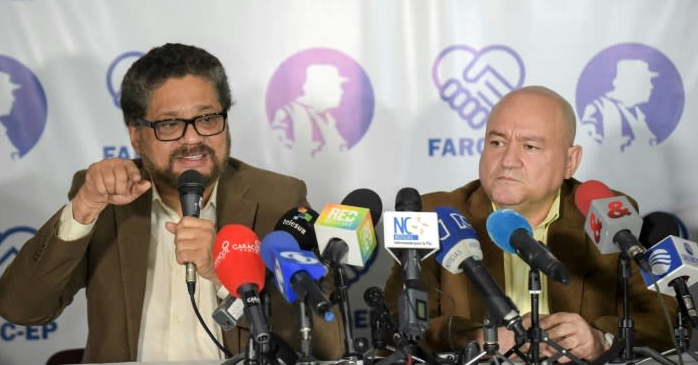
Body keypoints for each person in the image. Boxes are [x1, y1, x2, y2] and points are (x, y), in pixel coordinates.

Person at [0, 43, 344, 363]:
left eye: (208, 119)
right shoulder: (106, 198)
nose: (192, 139)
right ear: (135, 134)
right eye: (170, 124)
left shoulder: (278, 198)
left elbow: (326, 344)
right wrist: (83, 208)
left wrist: (226, 273)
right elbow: (21, 308)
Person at [383, 86, 676, 361]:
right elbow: (396, 319)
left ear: (570, 161)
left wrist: (603, 339)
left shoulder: (604, 212)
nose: (508, 160)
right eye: (497, 142)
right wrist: (480, 339)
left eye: (530, 147)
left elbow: (662, 316)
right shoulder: (434, 214)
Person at [581, 58, 659, 153]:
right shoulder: (598, 109)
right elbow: (592, 150)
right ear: (632, 83)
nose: (651, 86)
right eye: (647, 81)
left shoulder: (637, 112)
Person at [271, 64, 349, 157]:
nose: (341, 91)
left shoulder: (327, 118)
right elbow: (278, 154)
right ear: (322, 88)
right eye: (336, 86)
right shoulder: (287, 115)